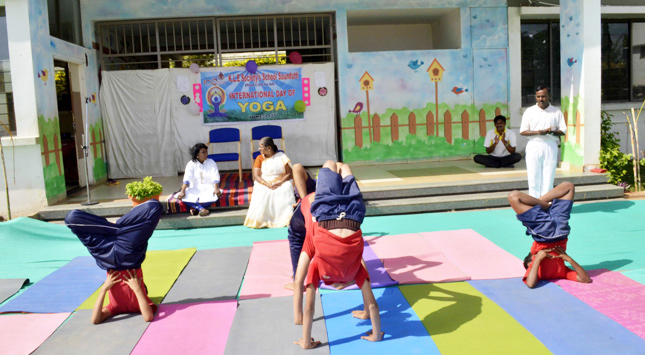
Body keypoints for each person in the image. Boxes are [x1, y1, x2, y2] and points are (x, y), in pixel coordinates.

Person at [293, 161, 383, 349]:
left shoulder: (354, 269)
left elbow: (373, 305)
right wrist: (306, 340)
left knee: (344, 168)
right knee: (329, 165)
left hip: (352, 218)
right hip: (326, 218)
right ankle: (336, 164)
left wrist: (377, 334)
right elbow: (309, 306)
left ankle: (342, 165)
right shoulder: (320, 264)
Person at [64, 199, 163, 323]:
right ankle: (116, 227)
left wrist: (104, 289)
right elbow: (148, 316)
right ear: (143, 289)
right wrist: (137, 289)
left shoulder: (114, 307)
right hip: (130, 253)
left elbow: (95, 320)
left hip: (106, 255)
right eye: (143, 288)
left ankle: (113, 227)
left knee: (71, 218)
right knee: (154, 206)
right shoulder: (139, 302)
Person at [507, 181, 591, 288]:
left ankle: (542, 205)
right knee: (568, 186)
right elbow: (586, 279)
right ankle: (544, 206)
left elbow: (530, 283)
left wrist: (537, 259)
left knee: (514, 196)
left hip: (544, 231)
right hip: (561, 229)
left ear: (530, 264)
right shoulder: (562, 271)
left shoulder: (538, 268)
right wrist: (568, 258)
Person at [520, 86, 567, 198]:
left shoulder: (556, 111)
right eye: (538, 96)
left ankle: (546, 201)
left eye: (544, 96)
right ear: (536, 97)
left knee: (549, 176)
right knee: (533, 175)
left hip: (550, 145)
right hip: (534, 145)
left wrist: (551, 132)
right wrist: (538, 132)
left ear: (549, 97)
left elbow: (563, 131)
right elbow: (523, 131)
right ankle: (535, 202)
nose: (541, 99)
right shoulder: (529, 111)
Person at [244, 137, 295, 228]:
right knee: (261, 190)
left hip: (282, 181)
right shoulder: (259, 158)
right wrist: (267, 184)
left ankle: (287, 219)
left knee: (286, 188)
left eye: (261, 147)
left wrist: (280, 182)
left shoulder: (281, 156)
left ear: (269, 148)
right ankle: (262, 220)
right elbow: (256, 176)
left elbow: (289, 173)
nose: (259, 149)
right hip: (264, 182)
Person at [175, 143, 222, 217]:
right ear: (197, 154)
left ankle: (195, 208)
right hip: (194, 188)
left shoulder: (211, 162)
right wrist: (182, 191)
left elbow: (215, 176)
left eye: (206, 151)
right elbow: (187, 179)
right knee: (182, 196)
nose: (206, 154)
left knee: (217, 195)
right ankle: (202, 209)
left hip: (208, 188)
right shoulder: (191, 164)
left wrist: (216, 188)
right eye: (203, 152)